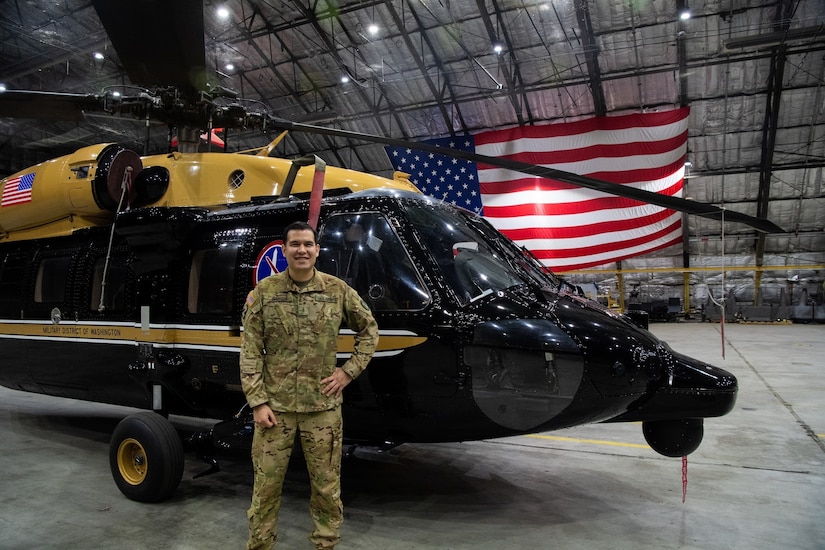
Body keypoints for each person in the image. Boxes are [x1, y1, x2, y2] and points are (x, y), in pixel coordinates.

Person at [240, 220, 379, 550]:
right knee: (266, 487)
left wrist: (348, 372)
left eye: (307, 244)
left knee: (327, 487)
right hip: (276, 411)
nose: (301, 250)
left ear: (317, 250)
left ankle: (325, 543)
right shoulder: (265, 293)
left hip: (323, 410)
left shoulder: (337, 291)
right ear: (284, 249)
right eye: (295, 244)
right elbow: (249, 349)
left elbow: (369, 330)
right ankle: (260, 545)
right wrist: (258, 402)